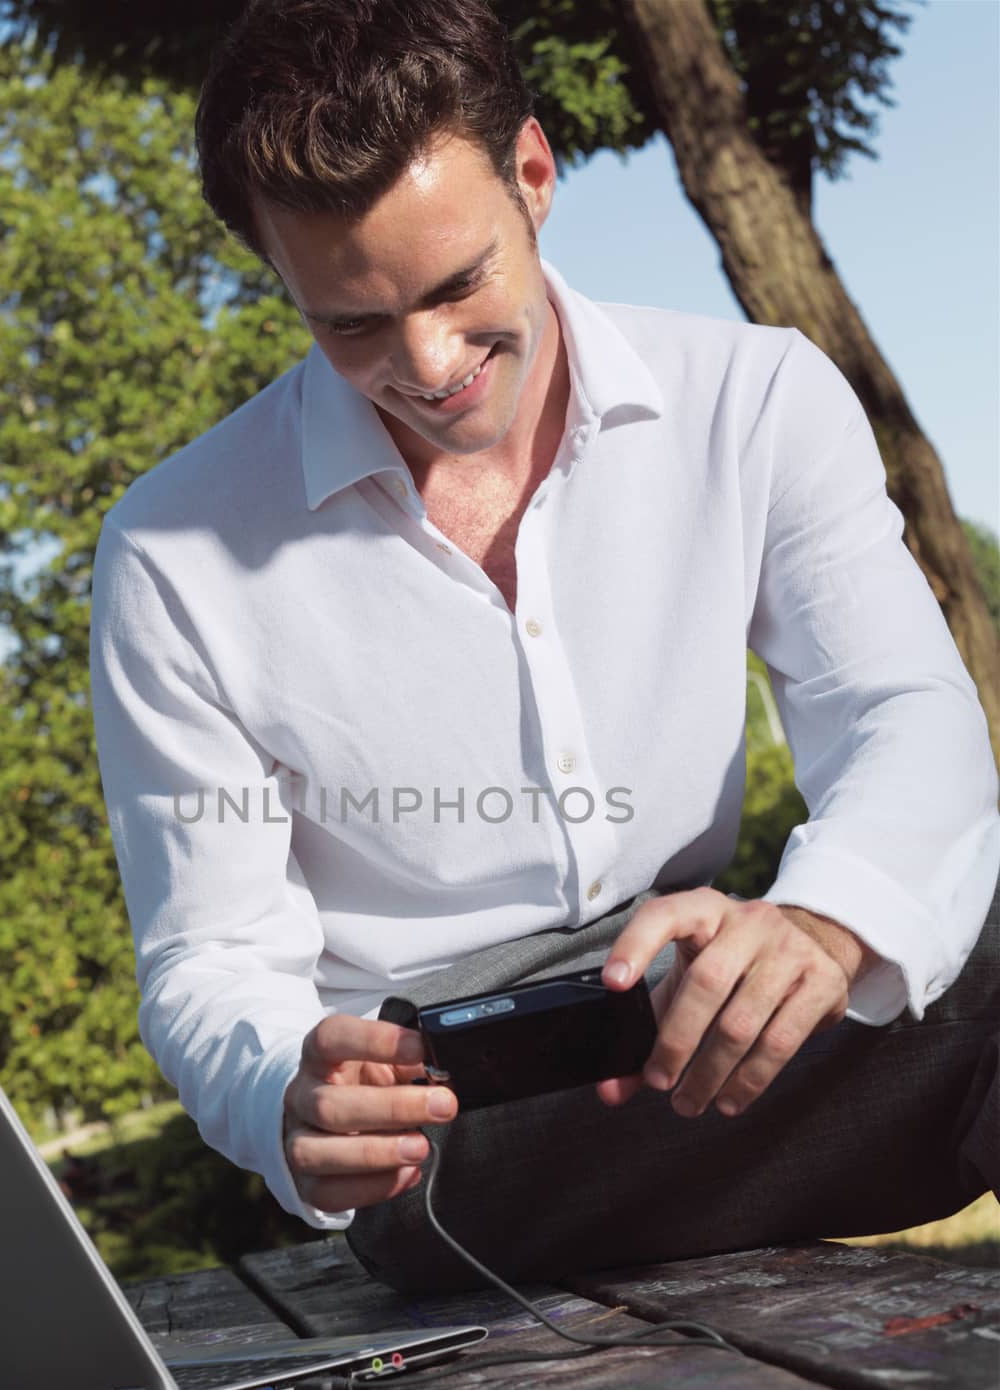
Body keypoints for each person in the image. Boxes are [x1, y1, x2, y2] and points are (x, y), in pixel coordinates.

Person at [88, 0, 1000, 1292]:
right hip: (459, 1131)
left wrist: (820, 923)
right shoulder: (172, 555)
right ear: (280, 282)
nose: (428, 364)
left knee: (967, 915)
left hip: (711, 1017)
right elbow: (211, 959)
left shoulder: (756, 402)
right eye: (349, 325)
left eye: (459, 285)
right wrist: (288, 1097)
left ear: (532, 173)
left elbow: (910, 721)